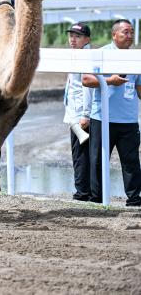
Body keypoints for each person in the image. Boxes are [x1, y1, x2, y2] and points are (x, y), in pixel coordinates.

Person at [82, 19, 141, 206]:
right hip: (102, 118)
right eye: (125, 32)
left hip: (129, 120)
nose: (130, 36)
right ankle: (97, 200)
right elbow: (86, 79)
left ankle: (134, 200)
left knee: (131, 162)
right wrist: (109, 81)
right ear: (114, 35)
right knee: (98, 161)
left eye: (132, 32)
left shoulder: (136, 57)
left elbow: (138, 88)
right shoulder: (102, 54)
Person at [63, 22, 93, 201]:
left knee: (80, 154)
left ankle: (82, 193)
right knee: (80, 153)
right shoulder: (77, 54)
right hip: (74, 112)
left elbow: (87, 87)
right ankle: (85, 190)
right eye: (71, 35)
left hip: (80, 114)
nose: (72, 39)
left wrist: (85, 115)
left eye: (77, 36)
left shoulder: (85, 56)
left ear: (87, 39)